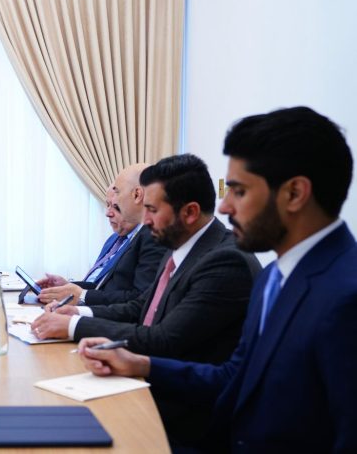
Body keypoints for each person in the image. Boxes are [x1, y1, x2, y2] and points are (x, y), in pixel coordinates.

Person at [78, 107, 357, 452]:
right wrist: (141, 364)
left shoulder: (347, 296)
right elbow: (234, 376)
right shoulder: (274, 277)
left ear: (295, 193)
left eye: (238, 191)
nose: (224, 208)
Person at [32, 154, 261, 446]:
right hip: (148, 385)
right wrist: (78, 314)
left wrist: (72, 327)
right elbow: (141, 307)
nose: (146, 219)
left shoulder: (226, 261)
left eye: (152, 209)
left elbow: (164, 339)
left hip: (183, 414)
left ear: (190, 212)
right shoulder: (179, 241)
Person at [36, 164, 165, 306]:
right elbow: (102, 286)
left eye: (117, 196)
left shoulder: (152, 236)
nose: (108, 212)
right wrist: (67, 288)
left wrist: (80, 300)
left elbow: (139, 301)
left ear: (137, 195)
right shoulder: (117, 238)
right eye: (108, 204)